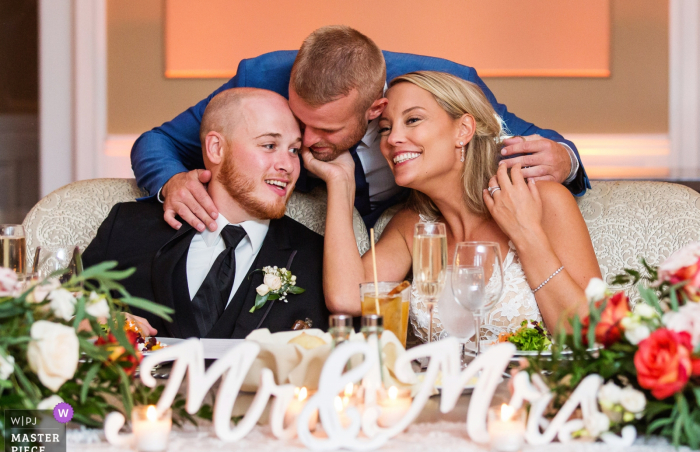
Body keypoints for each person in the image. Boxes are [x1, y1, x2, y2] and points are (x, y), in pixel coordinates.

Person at [131, 26, 589, 232]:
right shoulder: (260, 78)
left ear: (376, 108)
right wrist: (169, 181)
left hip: (414, 238)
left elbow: (542, 143)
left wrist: (565, 159)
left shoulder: (446, 87)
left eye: (326, 129)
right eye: (299, 121)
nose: (307, 142)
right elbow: (157, 141)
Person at [304, 71, 600, 342]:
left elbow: (594, 336)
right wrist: (340, 183)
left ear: (463, 130)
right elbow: (347, 299)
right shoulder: (412, 226)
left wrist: (526, 235)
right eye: (384, 128)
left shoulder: (542, 199)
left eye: (413, 120)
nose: (392, 139)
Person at [83, 88, 328, 339]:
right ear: (216, 148)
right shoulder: (128, 228)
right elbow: (59, 317)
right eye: (269, 145)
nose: (287, 165)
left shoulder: (318, 258)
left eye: (294, 150)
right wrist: (96, 323)